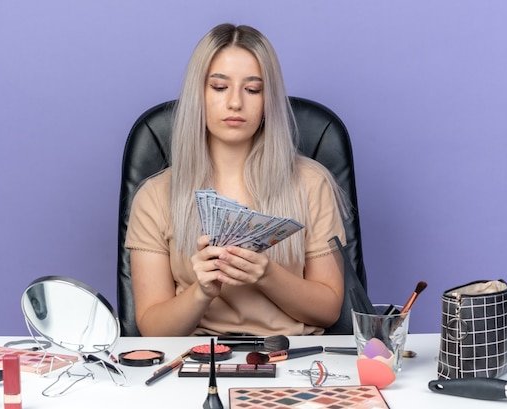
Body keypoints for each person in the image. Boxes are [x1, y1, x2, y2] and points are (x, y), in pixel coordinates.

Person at [125, 23, 347, 336]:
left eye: (253, 89)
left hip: (293, 357)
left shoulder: (311, 183)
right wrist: (201, 291)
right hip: (197, 362)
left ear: (269, 100)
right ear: (197, 95)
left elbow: (329, 310)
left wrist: (266, 274)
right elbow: (153, 330)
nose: (235, 103)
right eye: (219, 87)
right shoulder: (155, 195)